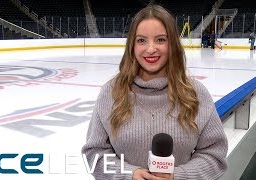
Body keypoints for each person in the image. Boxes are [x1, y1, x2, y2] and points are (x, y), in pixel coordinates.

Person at [82, 4, 228, 180]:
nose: (150, 49)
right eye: (141, 40)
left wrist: (178, 176)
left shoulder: (195, 93)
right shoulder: (111, 93)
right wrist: (129, 174)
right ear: (132, 46)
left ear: (172, 44)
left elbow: (214, 155)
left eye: (160, 40)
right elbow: (93, 155)